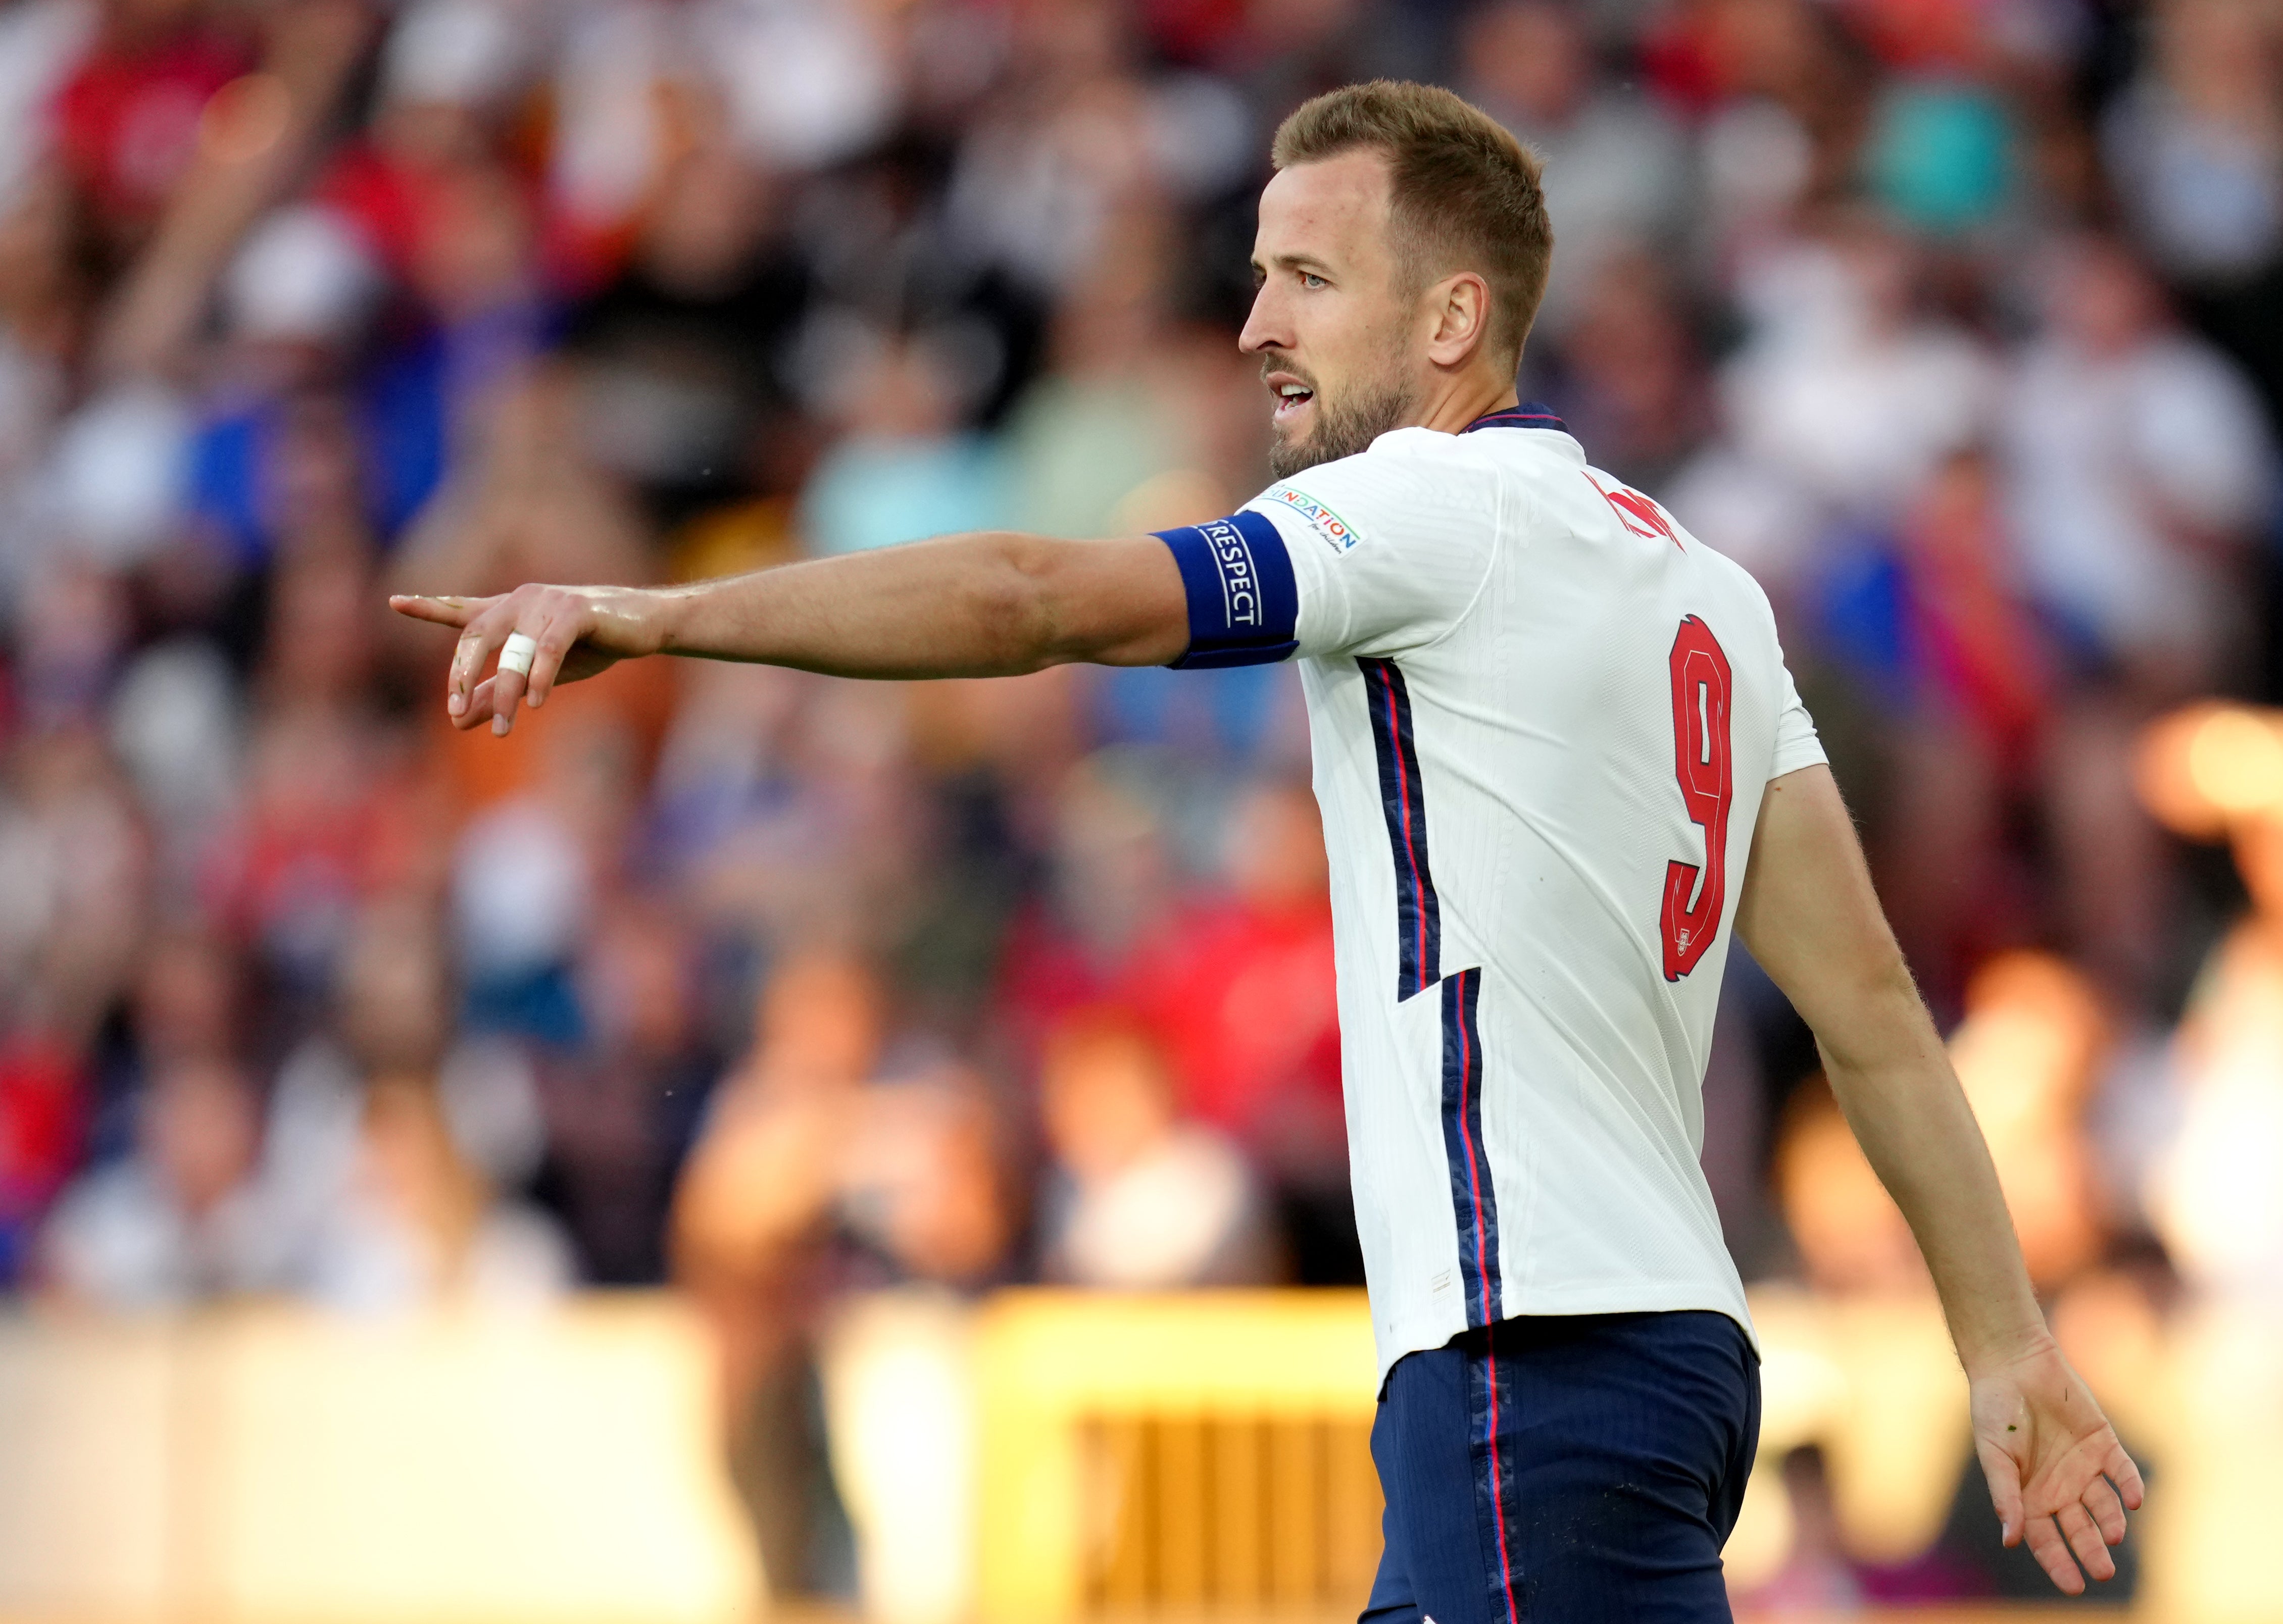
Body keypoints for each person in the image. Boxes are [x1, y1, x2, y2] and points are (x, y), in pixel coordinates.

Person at [395, 79, 2141, 1623]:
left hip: (1530, 1362)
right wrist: (2001, 1340)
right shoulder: (1702, 584)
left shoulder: (1422, 511)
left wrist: (660, 614)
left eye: (1307, 276)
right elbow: (1877, 1018)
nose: (1249, 327)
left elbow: (1030, 598)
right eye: (1254, 272)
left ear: (1453, 319)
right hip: (1650, 1356)